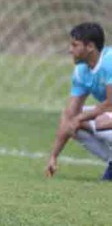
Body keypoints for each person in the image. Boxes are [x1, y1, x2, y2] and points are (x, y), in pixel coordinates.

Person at [45, 22, 112, 181]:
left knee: (101, 121)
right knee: (71, 122)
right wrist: (53, 156)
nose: (70, 50)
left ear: (90, 46)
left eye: (75, 45)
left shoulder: (109, 62)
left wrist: (80, 117)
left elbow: (111, 104)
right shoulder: (81, 71)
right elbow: (70, 114)